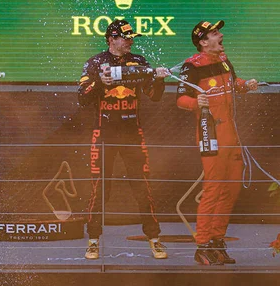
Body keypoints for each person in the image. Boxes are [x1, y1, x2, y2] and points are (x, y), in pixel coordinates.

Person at [78, 19, 170, 260]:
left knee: (142, 186)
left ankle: (154, 238)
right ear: (111, 39)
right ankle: (93, 240)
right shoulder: (96, 62)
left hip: (132, 132)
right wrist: (100, 82)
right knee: (100, 189)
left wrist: (160, 78)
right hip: (104, 132)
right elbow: (82, 97)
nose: (130, 41)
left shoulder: (138, 62)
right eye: (125, 38)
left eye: (132, 38)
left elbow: (155, 96)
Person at [176, 20, 258, 265]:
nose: (220, 35)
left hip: (232, 134)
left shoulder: (223, 60)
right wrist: (195, 103)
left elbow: (233, 84)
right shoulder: (192, 65)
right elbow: (180, 99)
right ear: (203, 42)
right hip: (211, 133)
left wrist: (245, 85)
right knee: (213, 188)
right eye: (214, 33)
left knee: (231, 189)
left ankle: (216, 241)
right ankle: (202, 245)